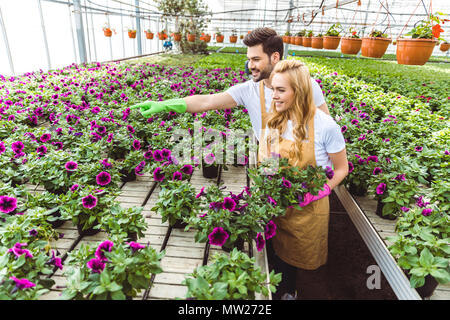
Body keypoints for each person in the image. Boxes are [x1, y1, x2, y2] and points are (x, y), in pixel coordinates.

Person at [130, 27, 330, 143]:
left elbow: (327, 127)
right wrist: (165, 104)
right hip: (271, 170)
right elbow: (206, 101)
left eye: (256, 59)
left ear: (274, 57)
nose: (250, 65)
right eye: (249, 59)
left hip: (308, 171)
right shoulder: (249, 90)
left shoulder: (308, 86)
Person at [259, 59, 348, 300]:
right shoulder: (275, 120)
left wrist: (321, 190)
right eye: (272, 89)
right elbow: (266, 162)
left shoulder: (325, 126)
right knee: (277, 260)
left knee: (304, 266)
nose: (274, 96)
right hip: (278, 205)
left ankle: (296, 293)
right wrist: (268, 177)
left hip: (308, 211)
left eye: (281, 90)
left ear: (298, 91)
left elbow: (342, 168)